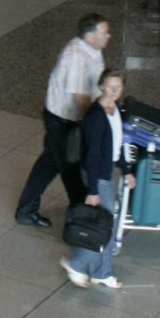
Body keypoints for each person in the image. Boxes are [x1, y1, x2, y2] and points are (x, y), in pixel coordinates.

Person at [16, 15, 109, 226]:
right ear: (89, 35)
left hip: (65, 119)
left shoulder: (93, 50)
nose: (108, 35)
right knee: (71, 171)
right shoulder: (76, 56)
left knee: (48, 164)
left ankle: (26, 209)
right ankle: (80, 219)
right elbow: (80, 98)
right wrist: (96, 123)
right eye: (104, 32)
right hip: (62, 121)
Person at [62, 71, 134, 290]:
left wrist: (126, 169)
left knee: (105, 223)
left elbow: (117, 144)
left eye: (118, 87)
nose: (113, 91)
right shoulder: (95, 116)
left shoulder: (115, 110)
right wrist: (93, 190)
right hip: (98, 176)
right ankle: (78, 263)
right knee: (104, 226)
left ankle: (100, 271)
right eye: (110, 86)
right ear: (101, 86)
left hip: (105, 173)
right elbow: (92, 156)